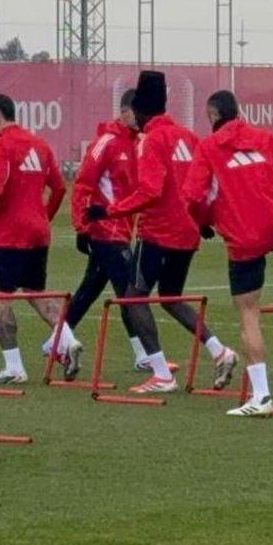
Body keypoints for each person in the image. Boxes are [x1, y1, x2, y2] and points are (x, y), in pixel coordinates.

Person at [88, 70, 240, 394]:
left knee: (132, 298)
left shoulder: (150, 140)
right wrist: (203, 220)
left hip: (158, 232)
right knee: (171, 298)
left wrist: (109, 210)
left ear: (142, 110)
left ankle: (161, 373)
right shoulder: (188, 136)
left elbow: (150, 191)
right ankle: (220, 351)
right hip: (187, 233)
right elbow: (207, 183)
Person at [183, 90, 273, 416]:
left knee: (249, 315)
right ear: (239, 112)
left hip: (243, 239)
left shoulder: (208, 147)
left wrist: (204, 222)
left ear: (213, 115)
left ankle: (261, 397)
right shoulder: (265, 138)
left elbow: (191, 196)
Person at [0, 93, 73, 384]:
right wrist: (43, 217)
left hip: (10, 233)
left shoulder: (0, 144)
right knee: (35, 292)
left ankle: (14, 367)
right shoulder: (40, 144)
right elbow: (60, 188)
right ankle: (68, 340)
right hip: (38, 231)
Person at [61, 88, 157, 377]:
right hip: (105, 230)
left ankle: (54, 344)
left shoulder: (137, 143)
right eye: (137, 113)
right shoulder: (106, 142)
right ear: (125, 111)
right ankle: (144, 355)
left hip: (122, 229)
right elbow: (83, 184)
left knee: (88, 291)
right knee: (129, 292)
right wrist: (82, 226)